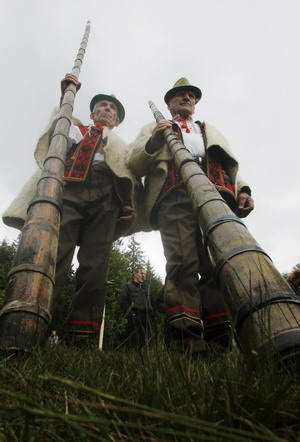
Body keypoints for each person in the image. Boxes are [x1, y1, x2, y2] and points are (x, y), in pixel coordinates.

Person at [3, 74, 142, 347]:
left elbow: (131, 175)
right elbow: (55, 138)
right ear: (92, 112)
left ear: (118, 120)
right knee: (55, 254)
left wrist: (129, 204)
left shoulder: (122, 146)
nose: (107, 109)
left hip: (107, 197)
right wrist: (64, 98)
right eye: (101, 105)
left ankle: (82, 337)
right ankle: (30, 326)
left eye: (112, 108)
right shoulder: (75, 129)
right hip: (70, 189)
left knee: (96, 262)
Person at [128, 78, 254, 354]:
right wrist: (154, 140)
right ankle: (185, 341)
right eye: (180, 95)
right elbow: (133, 162)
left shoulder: (208, 130)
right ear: (169, 103)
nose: (187, 98)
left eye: (191, 96)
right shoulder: (154, 127)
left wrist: (242, 189)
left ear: (195, 103)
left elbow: (225, 162)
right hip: (174, 194)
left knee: (216, 266)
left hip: (216, 195)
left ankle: (220, 343)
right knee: (182, 262)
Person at [120, 267, 154, 347]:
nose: (144, 276)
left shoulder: (146, 288)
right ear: (135, 274)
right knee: (132, 341)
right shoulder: (128, 286)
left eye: (145, 274)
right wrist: (132, 314)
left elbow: (151, 302)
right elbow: (122, 301)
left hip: (147, 318)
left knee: (147, 342)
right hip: (134, 317)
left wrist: (152, 314)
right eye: (141, 273)